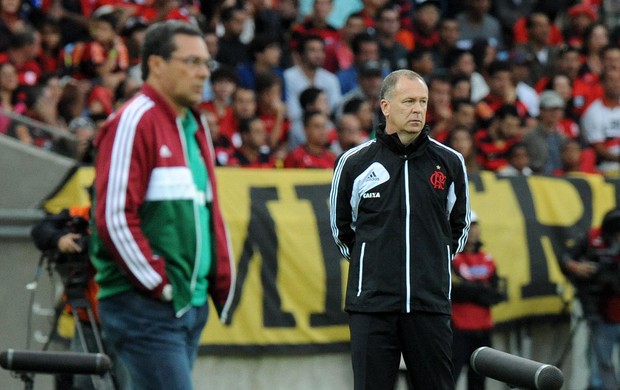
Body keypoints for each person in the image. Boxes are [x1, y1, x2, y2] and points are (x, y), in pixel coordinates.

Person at [90, 20, 235, 390]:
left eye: (206, 63)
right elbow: (112, 216)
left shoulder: (195, 124)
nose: (203, 72)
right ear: (155, 64)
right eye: (192, 62)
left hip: (187, 305)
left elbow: (207, 213)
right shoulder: (133, 120)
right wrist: (159, 283)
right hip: (146, 307)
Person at [329, 69, 471, 390]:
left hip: (429, 303)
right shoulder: (354, 163)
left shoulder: (450, 162)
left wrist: (430, 263)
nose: (417, 109)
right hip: (372, 305)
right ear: (385, 107)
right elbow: (342, 230)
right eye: (408, 101)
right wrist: (375, 263)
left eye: (422, 102)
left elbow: (458, 229)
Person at [560, 208, 620, 390]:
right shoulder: (592, 238)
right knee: (600, 370)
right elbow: (566, 258)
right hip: (600, 313)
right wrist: (576, 267)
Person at [451, 210, 504, 390]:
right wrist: (481, 289)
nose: (473, 230)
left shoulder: (488, 259)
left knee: (479, 381)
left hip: (483, 330)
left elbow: (497, 294)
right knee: (451, 377)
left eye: (475, 226)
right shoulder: (452, 258)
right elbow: (455, 291)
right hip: (458, 330)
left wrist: (470, 289)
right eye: (469, 226)